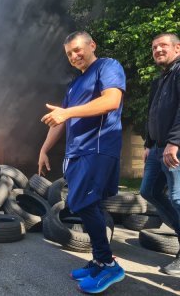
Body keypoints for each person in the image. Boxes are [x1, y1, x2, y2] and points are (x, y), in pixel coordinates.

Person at [38, 31, 126, 294]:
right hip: (77, 153)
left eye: (77, 50)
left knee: (84, 203)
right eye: (68, 54)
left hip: (98, 148)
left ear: (92, 45)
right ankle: (99, 259)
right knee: (81, 203)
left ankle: (109, 264)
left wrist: (68, 111)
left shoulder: (108, 66)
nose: (74, 56)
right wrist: (44, 149)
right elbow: (60, 120)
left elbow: (112, 100)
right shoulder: (75, 86)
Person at [140, 32, 180, 277]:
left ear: (177, 48)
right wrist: (148, 142)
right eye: (154, 47)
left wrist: (175, 141)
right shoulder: (160, 80)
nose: (157, 50)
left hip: (173, 148)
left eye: (163, 45)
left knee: (177, 197)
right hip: (156, 148)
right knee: (148, 191)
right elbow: (152, 113)